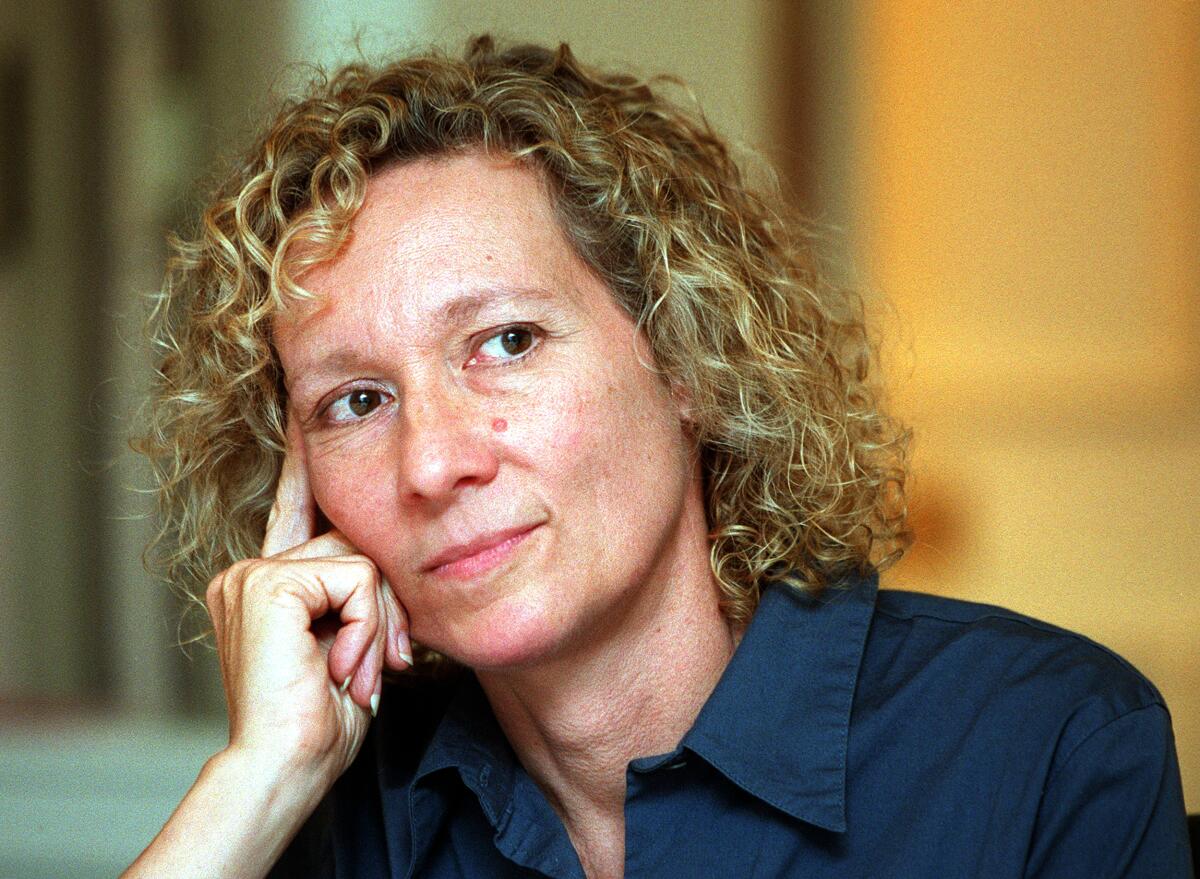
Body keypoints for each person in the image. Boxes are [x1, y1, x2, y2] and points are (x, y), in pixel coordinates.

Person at [124, 36, 1191, 879]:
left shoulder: (1044, 745)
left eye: (506, 342)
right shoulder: (343, 806)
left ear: (688, 361)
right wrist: (256, 783)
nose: (433, 462)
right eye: (355, 400)